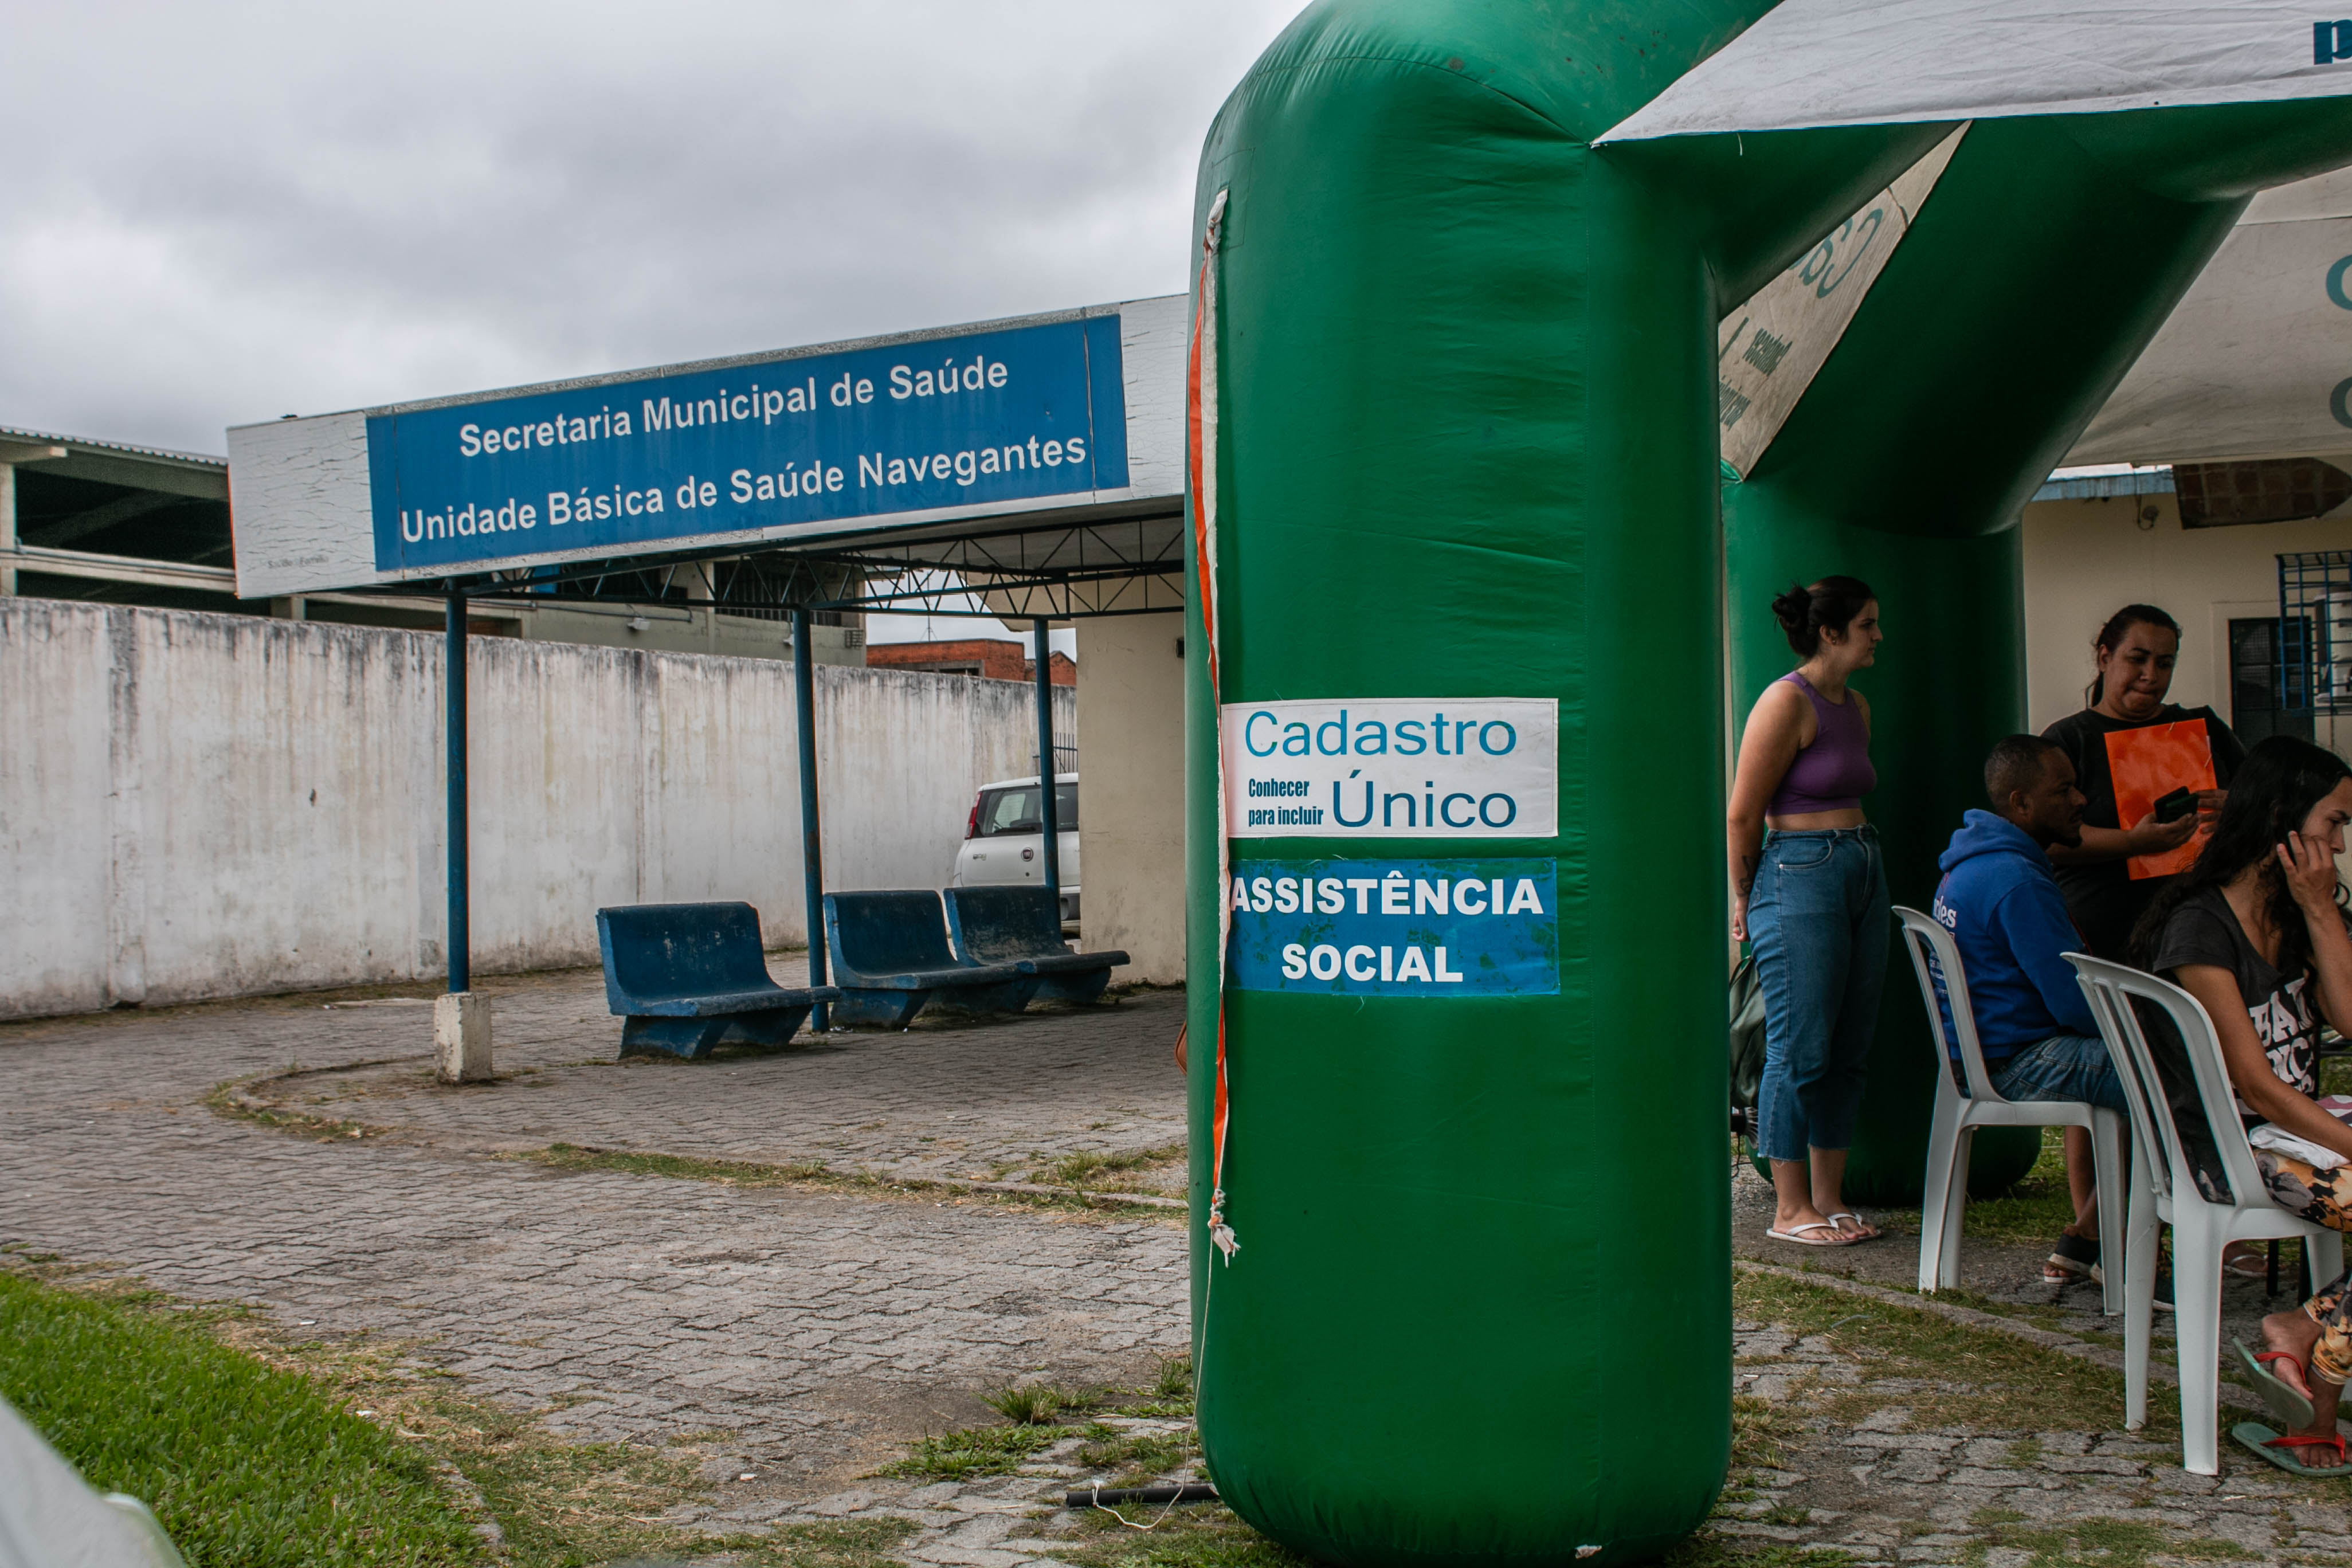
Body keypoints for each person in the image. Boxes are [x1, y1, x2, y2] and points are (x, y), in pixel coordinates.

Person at [2137, 736, 2352, 1472]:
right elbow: (2256, 1087)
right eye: (2334, 824)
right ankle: (2318, 1385)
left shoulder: (2299, 914)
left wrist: (2321, 913)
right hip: (2231, 1148)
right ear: (2282, 823)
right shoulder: (2201, 928)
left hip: (2295, 1133)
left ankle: (2301, 1329)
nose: (2341, 845)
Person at [1932, 736, 2129, 1285]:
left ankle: (2090, 1234)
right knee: (2166, 1070)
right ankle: (2134, 1250)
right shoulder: (2014, 880)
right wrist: (2141, 1029)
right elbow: (2072, 999)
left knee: (2150, 1062)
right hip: (2018, 1061)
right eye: (2062, 790)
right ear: (2020, 804)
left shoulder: (1974, 864)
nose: (2081, 799)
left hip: (1985, 1056)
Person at [1728, 576, 1888, 1248]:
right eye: (1868, 624)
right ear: (1830, 632)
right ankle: (1788, 1206)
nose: (1879, 635)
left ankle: (1828, 1197)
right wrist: (1741, 897)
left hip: (1862, 863)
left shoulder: (1857, 705)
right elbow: (1742, 812)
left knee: (1849, 1045)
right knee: (1800, 1046)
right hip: (1798, 873)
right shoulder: (1783, 703)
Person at [2043, 605, 2245, 962]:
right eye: (2138, 659)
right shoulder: (2068, 740)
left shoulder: (2205, 728)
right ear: (2105, 658)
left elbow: (2271, 800)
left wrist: (2239, 806)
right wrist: (2133, 842)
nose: (2151, 675)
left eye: (2165, 664)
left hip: (2199, 934)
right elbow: (2045, 839)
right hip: (2103, 939)